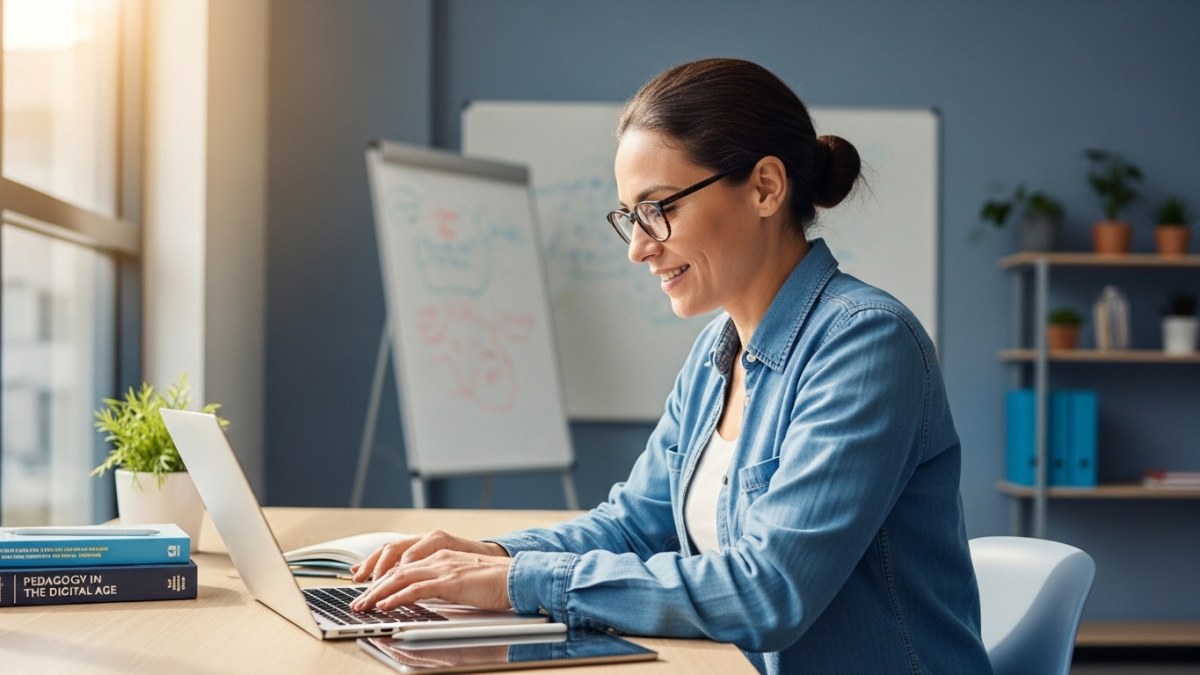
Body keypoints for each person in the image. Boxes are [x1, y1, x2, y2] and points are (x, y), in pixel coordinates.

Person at [350, 57, 991, 674]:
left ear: (765, 187)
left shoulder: (866, 343)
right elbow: (637, 523)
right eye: (630, 217)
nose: (637, 248)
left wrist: (518, 582)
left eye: (660, 208)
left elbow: (770, 589)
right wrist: (490, 557)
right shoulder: (716, 354)